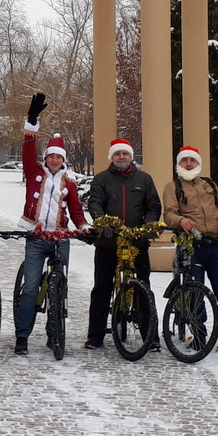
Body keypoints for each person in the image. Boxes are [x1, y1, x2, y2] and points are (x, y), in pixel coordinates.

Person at [13, 92, 86, 356]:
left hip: (60, 240)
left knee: (60, 287)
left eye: (58, 158)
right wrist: (32, 122)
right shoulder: (34, 173)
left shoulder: (69, 183)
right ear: (46, 158)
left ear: (63, 160)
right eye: (51, 157)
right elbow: (27, 149)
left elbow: (76, 211)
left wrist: (84, 226)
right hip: (36, 239)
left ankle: (54, 332)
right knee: (31, 288)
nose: (54, 161)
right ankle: (23, 336)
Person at [84, 137, 162, 351]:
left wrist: (149, 225)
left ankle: (150, 335)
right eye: (117, 154)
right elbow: (95, 202)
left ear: (131, 156)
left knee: (144, 287)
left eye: (125, 154)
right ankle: (95, 335)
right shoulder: (101, 179)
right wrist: (101, 221)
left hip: (137, 242)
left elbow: (154, 206)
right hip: (108, 242)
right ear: (112, 157)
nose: (121, 157)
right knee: (101, 288)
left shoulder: (144, 179)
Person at [161, 144, 218, 356]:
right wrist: (181, 220)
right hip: (191, 246)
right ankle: (199, 335)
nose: (188, 164)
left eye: (192, 160)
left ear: (198, 163)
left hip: (216, 245)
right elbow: (168, 213)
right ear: (179, 164)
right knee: (195, 294)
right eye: (184, 160)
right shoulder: (173, 186)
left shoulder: (208, 184)